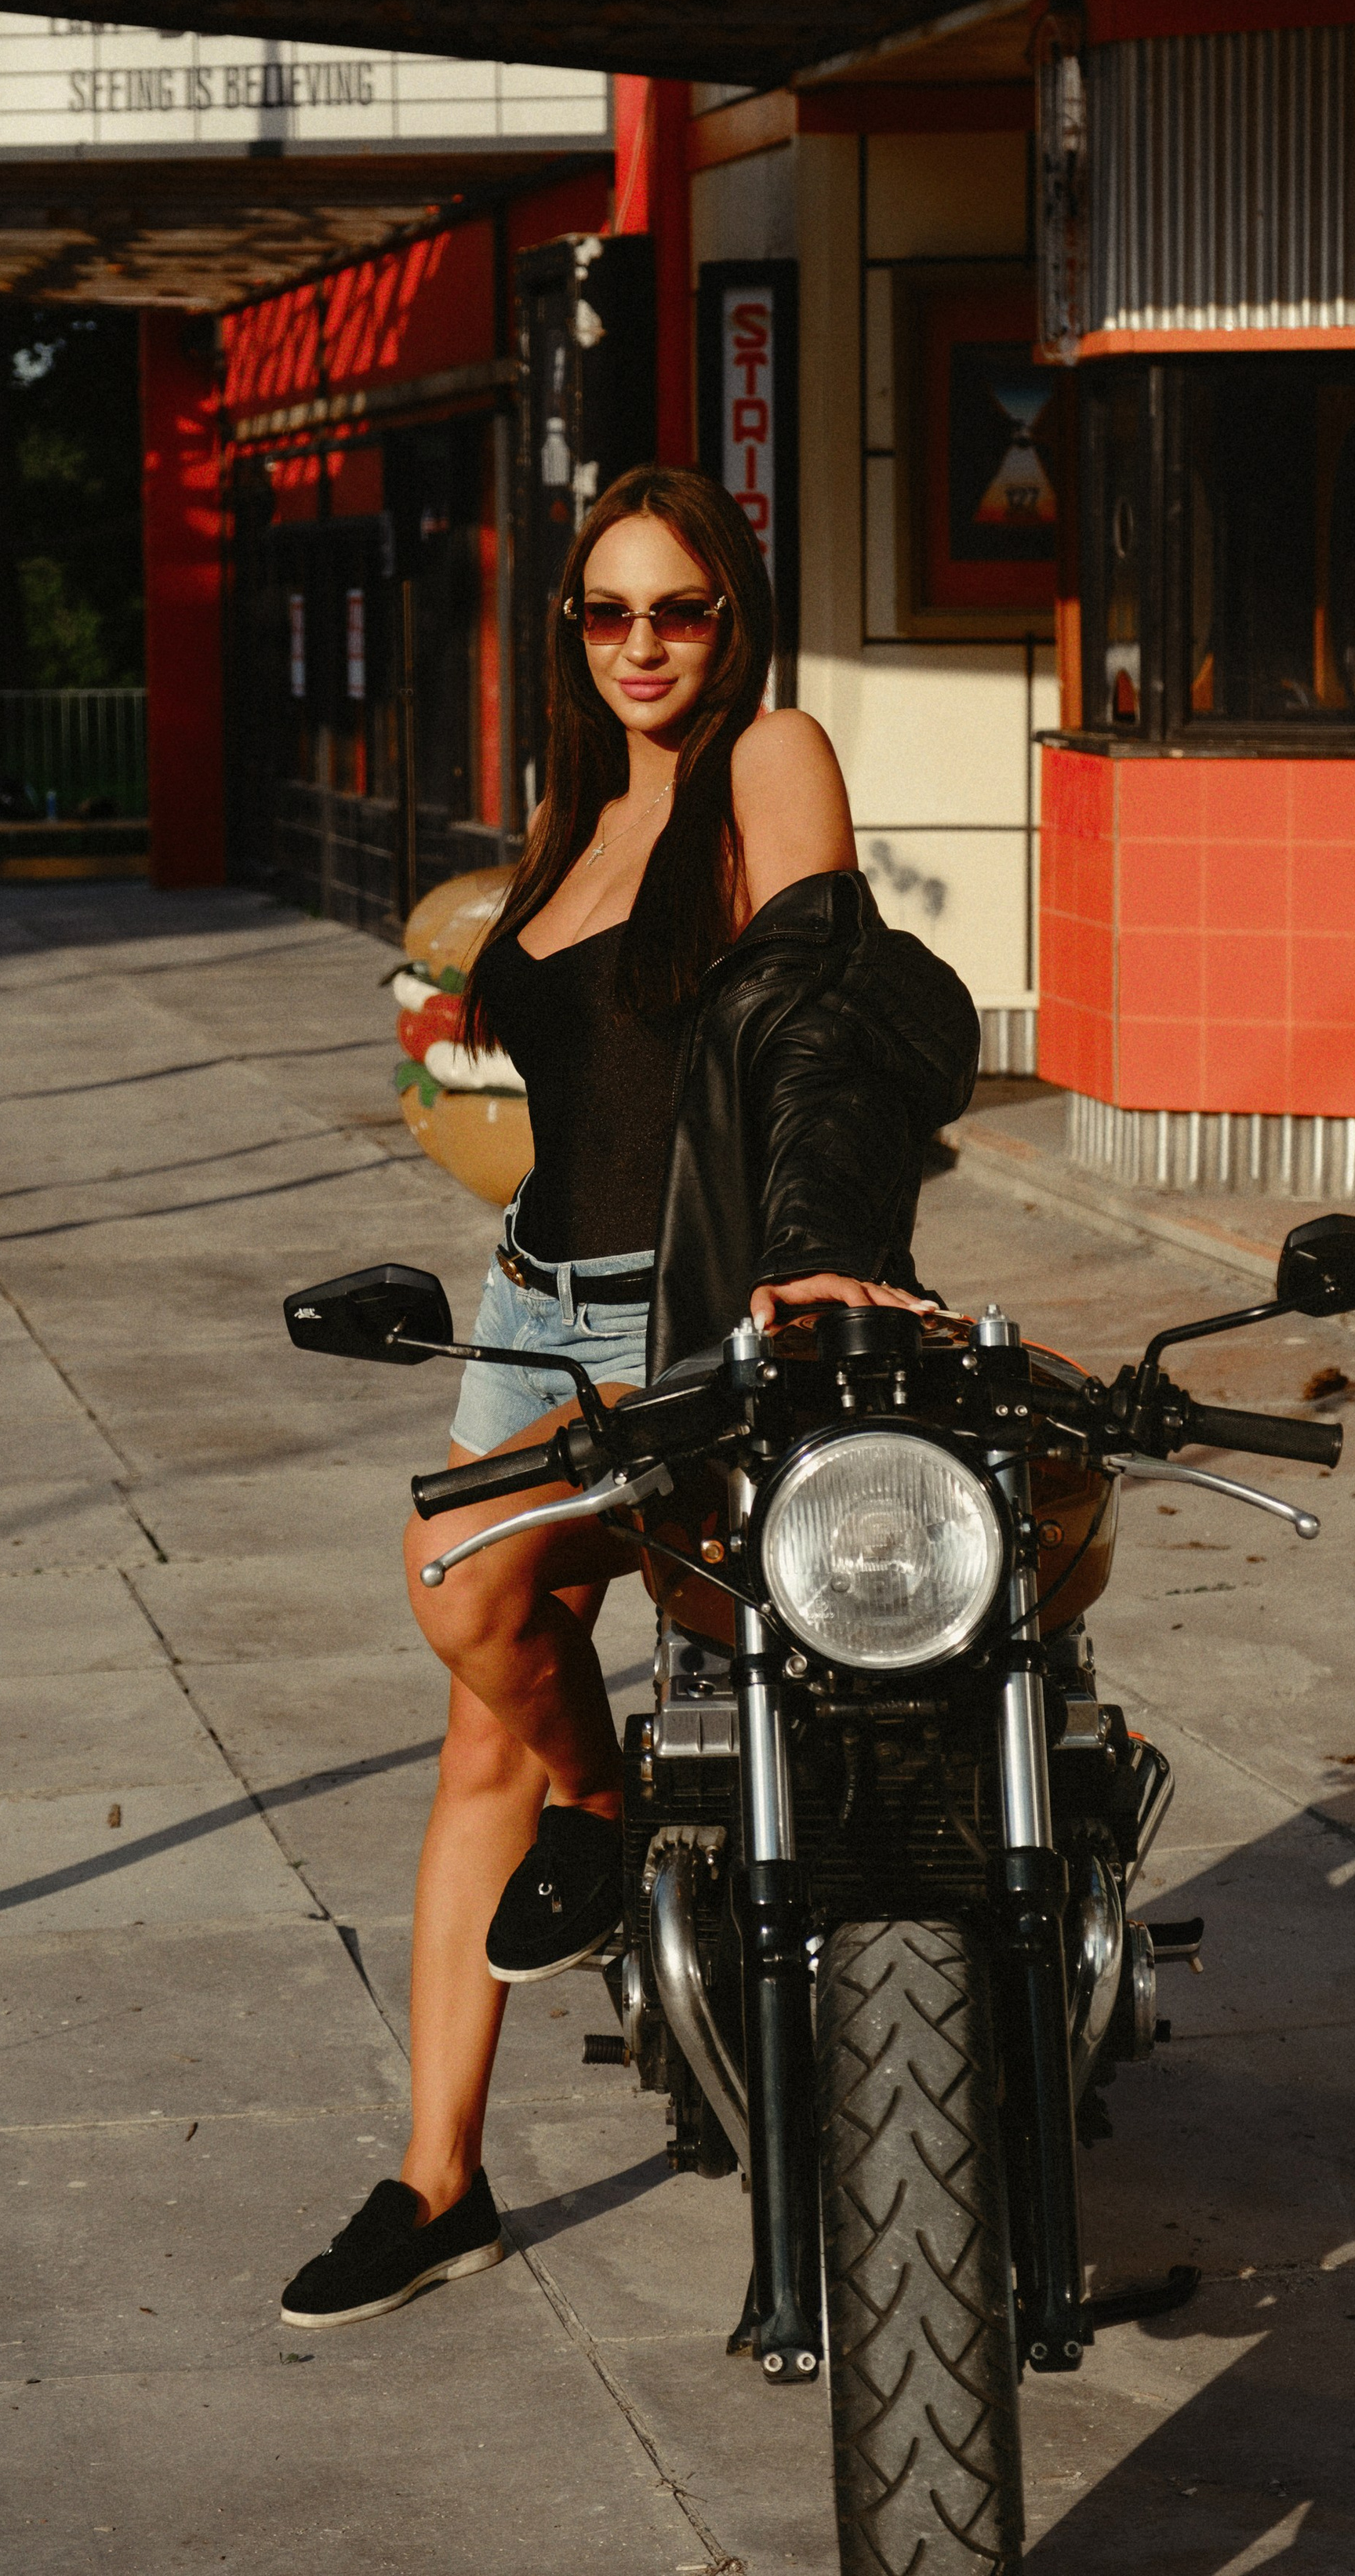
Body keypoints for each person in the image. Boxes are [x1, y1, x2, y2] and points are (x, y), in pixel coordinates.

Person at [280, 464, 979, 2331]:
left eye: (677, 610)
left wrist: (820, 1237)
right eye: (607, 612)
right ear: (570, 631)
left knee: (461, 1590)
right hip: (529, 1300)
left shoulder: (769, 764)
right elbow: (568, 1073)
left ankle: (597, 1831)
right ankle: (439, 2179)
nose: (643, 645)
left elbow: (823, 1007)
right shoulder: (565, 807)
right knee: (474, 1723)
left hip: (682, 1316)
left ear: (728, 617)